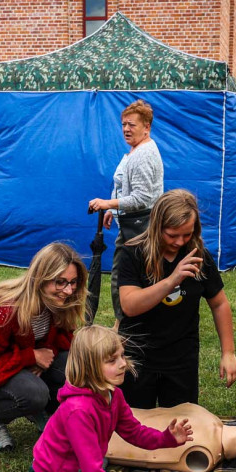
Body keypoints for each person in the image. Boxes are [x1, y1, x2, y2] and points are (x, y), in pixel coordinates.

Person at [5, 325, 193, 472]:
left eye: (122, 356)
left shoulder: (113, 395)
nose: (122, 364)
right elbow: (93, 471)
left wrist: (167, 438)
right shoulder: (78, 411)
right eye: (112, 360)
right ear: (89, 367)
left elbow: (134, 432)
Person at [118, 189, 236, 408]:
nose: (179, 241)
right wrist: (171, 280)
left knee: (182, 426)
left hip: (181, 357)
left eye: (187, 234)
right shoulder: (133, 253)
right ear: (157, 226)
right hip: (136, 357)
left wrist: (228, 353)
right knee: (133, 426)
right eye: (172, 235)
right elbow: (129, 306)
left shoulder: (199, 256)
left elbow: (219, 303)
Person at [0, 242, 87, 451]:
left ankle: (45, 412)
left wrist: (45, 355)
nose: (68, 290)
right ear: (40, 278)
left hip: (27, 365)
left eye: (73, 282)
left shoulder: (58, 302)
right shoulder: (5, 308)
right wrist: (31, 357)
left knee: (76, 368)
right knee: (34, 394)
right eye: (60, 282)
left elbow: (65, 340)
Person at [87, 100, 164, 323]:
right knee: (130, 275)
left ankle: (123, 326)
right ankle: (125, 323)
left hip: (140, 228)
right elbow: (123, 184)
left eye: (132, 125)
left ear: (146, 127)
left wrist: (107, 204)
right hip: (131, 225)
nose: (126, 129)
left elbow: (142, 198)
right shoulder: (135, 151)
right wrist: (114, 206)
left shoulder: (143, 155)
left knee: (123, 277)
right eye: (123, 125)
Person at [107, 403, 236, 472]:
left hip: (102, 426)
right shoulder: (215, 424)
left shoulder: (204, 452)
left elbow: (143, 453)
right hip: (112, 410)